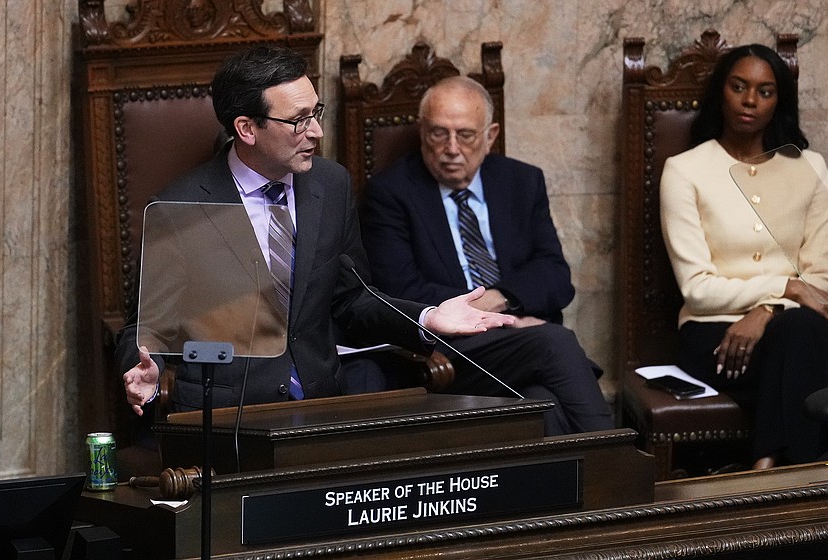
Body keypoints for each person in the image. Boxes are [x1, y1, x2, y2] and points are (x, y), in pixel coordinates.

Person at [116, 46, 515, 415]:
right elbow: (146, 326)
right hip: (228, 416)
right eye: (298, 121)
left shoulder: (330, 185)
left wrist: (427, 318)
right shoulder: (180, 207)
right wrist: (143, 374)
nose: (316, 132)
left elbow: (352, 299)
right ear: (247, 128)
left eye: (315, 112)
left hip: (322, 403)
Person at [359, 76, 613, 436]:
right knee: (555, 341)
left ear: (490, 135)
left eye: (465, 135)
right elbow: (398, 290)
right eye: (438, 134)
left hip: (520, 342)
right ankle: (615, 460)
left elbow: (555, 276)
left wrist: (501, 303)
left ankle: (581, 485)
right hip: (448, 348)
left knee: (545, 405)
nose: (451, 148)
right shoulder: (391, 193)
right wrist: (488, 318)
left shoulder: (521, 182)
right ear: (421, 132)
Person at [660, 43, 828, 469]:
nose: (750, 101)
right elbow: (697, 290)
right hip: (714, 339)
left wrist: (767, 311)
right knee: (804, 340)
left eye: (765, 91)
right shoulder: (684, 171)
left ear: (780, 101)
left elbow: (824, 282)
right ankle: (801, 483)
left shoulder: (809, 166)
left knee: (802, 331)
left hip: (793, 330)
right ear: (722, 92)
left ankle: (769, 466)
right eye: (739, 87)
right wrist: (785, 287)